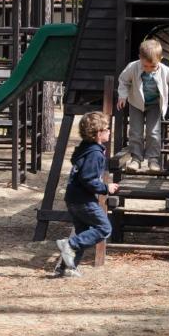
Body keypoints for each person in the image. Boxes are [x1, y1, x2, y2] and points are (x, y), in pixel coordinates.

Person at [54, 111, 119, 278]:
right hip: (83, 200)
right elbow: (88, 179)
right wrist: (106, 188)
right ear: (99, 133)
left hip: (73, 199)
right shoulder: (95, 154)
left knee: (83, 231)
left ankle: (66, 268)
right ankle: (69, 244)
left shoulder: (86, 148)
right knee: (104, 228)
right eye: (107, 128)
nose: (110, 131)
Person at [116, 39, 169, 173]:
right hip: (136, 103)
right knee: (136, 131)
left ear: (160, 59)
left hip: (154, 105)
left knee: (154, 132)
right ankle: (136, 159)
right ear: (140, 58)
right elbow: (123, 81)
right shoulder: (133, 67)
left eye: (152, 67)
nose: (148, 70)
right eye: (145, 66)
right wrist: (122, 96)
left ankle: (153, 159)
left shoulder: (166, 70)